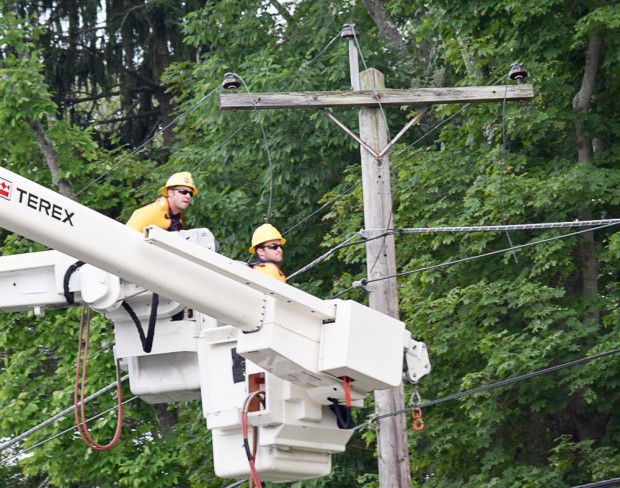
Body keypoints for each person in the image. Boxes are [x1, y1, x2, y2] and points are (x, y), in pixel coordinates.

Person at [126, 172, 197, 232]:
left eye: (190, 193)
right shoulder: (154, 211)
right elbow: (127, 235)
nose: (188, 196)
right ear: (170, 193)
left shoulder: (177, 220)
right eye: (183, 191)